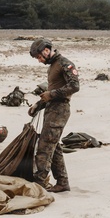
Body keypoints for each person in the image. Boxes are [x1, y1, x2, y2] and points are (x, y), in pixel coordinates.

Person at [28, 38, 80, 193]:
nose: (39, 60)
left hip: (60, 109)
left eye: (39, 57)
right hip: (52, 109)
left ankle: (40, 183)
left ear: (46, 50)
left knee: (44, 146)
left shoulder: (65, 63)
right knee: (54, 146)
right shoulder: (52, 66)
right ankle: (62, 182)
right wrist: (39, 105)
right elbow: (52, 91)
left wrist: (51, 94)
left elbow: (74, 86)